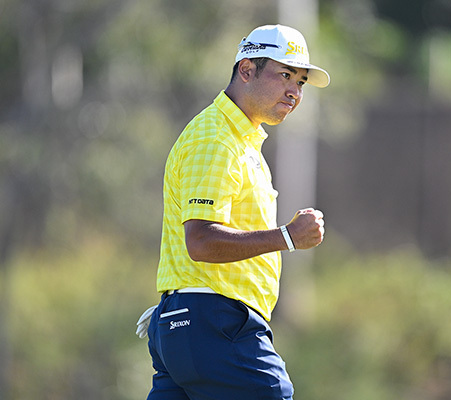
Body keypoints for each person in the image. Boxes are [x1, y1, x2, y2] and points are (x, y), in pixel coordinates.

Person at [136, 24, 330, 399]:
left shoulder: (239, 141)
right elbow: (202, 241)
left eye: (301, 82)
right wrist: (287, 237)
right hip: (213, 322)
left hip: (189, 323)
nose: (295, 91)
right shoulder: (217, 138)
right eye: (285, 75)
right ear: (246, 70)